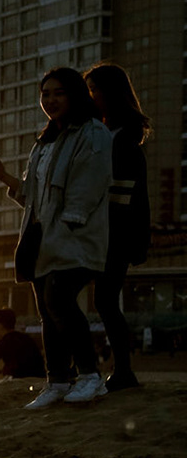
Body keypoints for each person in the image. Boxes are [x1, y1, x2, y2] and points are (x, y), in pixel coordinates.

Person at [0, 66, 114, 408]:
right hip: (41, 237)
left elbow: (90, 183)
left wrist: (69, 224)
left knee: (60, 301)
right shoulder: (46, 141)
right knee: (47, 310)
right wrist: (4, 176)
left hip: (73, 236)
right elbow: (33, 195)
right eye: (45, 94)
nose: (50, 100)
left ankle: (90, 376)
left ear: (75, 95)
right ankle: (57, 381)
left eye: (58, 93)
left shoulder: (92, 132)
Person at [85, 62, 151, 390]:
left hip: (112, 232)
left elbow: (123, 195)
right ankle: (112, 370)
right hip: (98, 230)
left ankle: (121, 370)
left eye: (94, 90)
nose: (90, 96)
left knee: (105, 301)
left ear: (110, 93)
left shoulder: (123, 138)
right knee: (101, 300)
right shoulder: (102, 130)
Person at [0, 307, 47, 379]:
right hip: (39, 378)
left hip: (20, 381)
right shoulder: (27, 338)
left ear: (0, 326)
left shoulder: (3, 343)